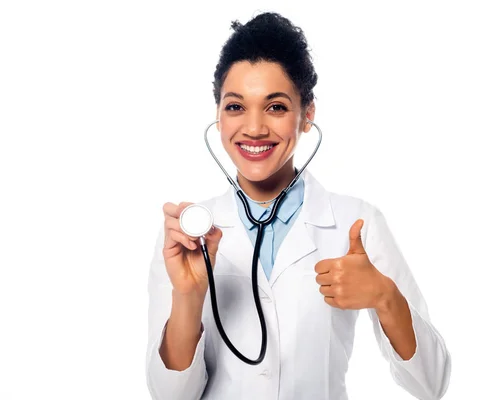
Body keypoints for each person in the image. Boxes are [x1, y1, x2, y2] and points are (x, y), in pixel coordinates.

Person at [146, 12, 451, 400]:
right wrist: (188, 297)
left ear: (307, 115)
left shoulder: (357, 223)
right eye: (236, 106)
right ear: (218, 116)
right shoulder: (184, 238)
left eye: (276, 107)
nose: (254, 128)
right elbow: (168, 395)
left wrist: (385, 296)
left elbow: (432, 383)